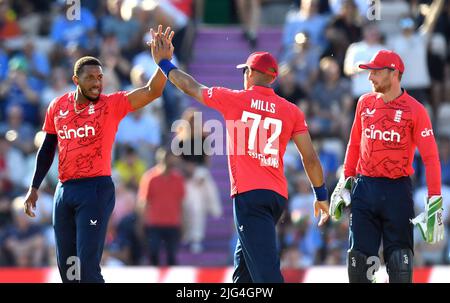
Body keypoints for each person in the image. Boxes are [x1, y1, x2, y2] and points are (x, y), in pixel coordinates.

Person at [150, 26, 329, 283]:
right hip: (276, 197)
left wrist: (165, 64)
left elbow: (191, 87)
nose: (243, 75)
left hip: (250, 196)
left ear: (252, 73)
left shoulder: (235, 99)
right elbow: (309, 158)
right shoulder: (291, 110)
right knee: (243, 272)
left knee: (266, 276)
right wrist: (320, 195)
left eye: (245, 70)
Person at [22, 26, 174, 283]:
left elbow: (152, 92)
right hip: (64, 190)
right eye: (91, 78)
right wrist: (34, 187)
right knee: (68, 272)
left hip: (95, 190)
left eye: (100, 77)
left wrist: (164, 63)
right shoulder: (57, 107)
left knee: (88, 270)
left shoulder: (111, 104)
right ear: (76, 81)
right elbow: (48, 147)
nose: (97, 83)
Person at [330, 50, 444, 283]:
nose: (370, 77)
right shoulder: (364, 102)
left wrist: (435, 200)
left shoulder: (415, 110)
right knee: (359, 262)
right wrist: (345, 180)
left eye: (376, 72)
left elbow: (431, 158)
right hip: (365, 187)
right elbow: (354, 143)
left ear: (394, 74)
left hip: (397, 191)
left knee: (399, 262)